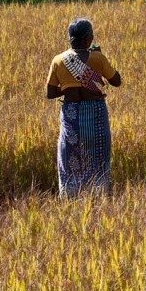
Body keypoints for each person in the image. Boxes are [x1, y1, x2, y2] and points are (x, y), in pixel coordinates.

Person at [46, 18, 122, 197]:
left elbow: (49, 93)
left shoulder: (59, 60)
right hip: (96, 114)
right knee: (98, 158)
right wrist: (100, 57)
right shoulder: (98, 58)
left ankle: (71, 195)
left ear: (70, 38)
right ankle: (99, 194)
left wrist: (68, 89)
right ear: (88, 38)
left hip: (72, 115)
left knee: (70, 156)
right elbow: (116, 81)